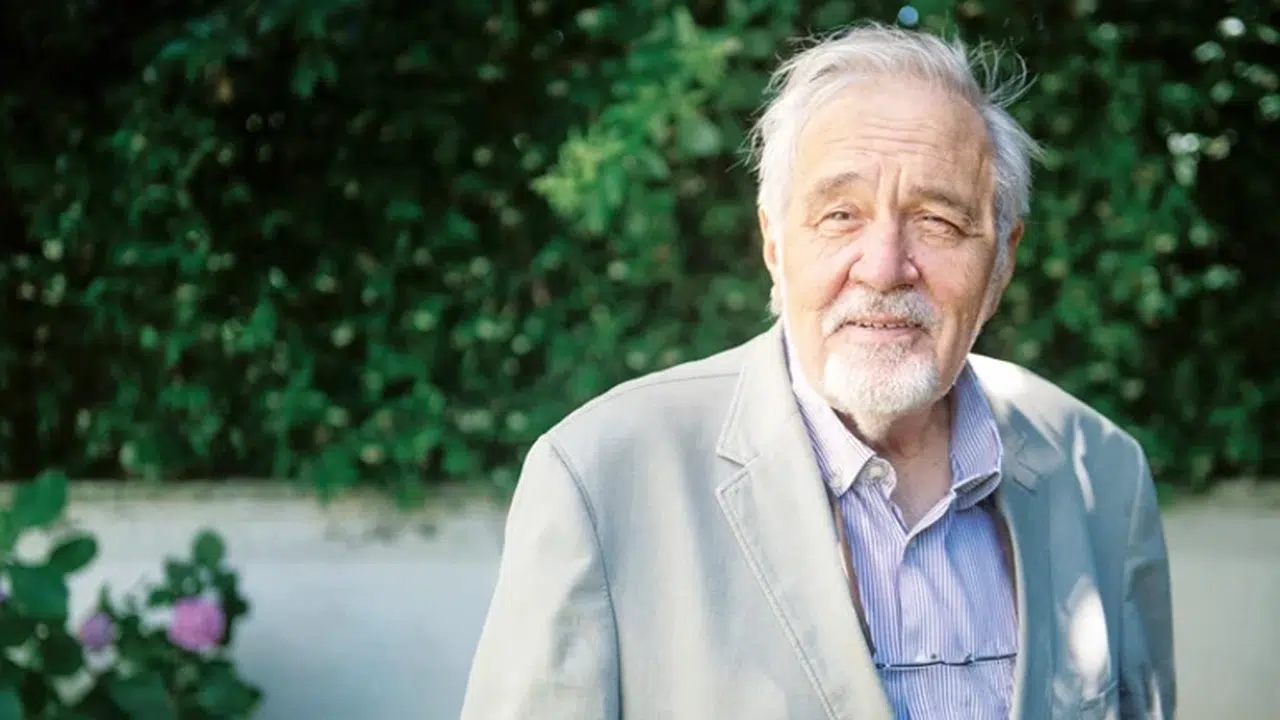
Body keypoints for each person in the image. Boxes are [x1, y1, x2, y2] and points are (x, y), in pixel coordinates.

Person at [460, 22, 1175, 720]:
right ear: (774, 243)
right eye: (840, 215)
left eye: (939, 221)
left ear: (1002, 261)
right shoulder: (599, 477)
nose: (885, 268)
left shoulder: (1101, 471)